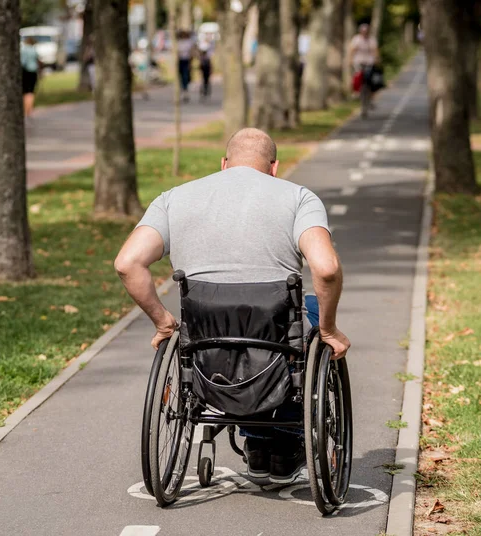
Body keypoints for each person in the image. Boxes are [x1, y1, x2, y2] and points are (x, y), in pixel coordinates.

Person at [114, 128, 350, 484]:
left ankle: (255, 444)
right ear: (274, 168)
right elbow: (327, 268)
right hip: (274, 332)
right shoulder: (299, 198)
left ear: (224, 164)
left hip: (206, 334)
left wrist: (163, 322)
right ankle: (283, 444)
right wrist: (329, 329)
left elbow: (127, 263)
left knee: (235, 339)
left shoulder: (174, 198)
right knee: (311, 313)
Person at [349, 23, 381, 117]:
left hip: (369, 63)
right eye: (363, 31)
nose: (364, 33)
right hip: (358, 63)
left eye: (366, 32)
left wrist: (377, 60)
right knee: (357, 80)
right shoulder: (356, 39)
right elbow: (351, 50)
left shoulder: (371, 40)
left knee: (371, 82)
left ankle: (371, 97)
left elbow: (375, 50)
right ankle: (356, 93)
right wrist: (350, 61)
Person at [20, 37, 41, 118]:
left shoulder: (24, 50)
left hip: (26, 72)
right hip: (33, 72)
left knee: (25, 92)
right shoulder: (33, 50)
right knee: (31, 92)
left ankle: (25, 110)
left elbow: (23, 62)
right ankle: (30, 110)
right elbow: (38, 61)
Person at [177, 30, 196, 102]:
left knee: (186, 76)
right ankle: (183, 89)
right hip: (180, 61)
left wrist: (191, 61)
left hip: (186, 61)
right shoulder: (178, 42)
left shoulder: (189, 42)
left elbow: (191, 52)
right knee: (181, 76)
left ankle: (185, 90)